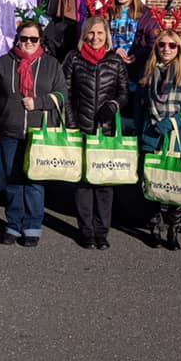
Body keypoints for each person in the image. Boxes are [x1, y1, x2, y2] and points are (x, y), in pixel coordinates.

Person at [0, 19, 66, 247]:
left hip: (39, 133)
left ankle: (32, 225)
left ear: (40, 40)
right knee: (13, 181)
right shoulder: (3, 63)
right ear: (17, 39)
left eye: (33, 39)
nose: (28, 43)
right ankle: (13, 224)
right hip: (10, 131)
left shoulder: (51, 64)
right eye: (24, 38)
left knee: (33, 181)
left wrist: (39, 102)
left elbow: (62, 95)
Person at [63, 16, 128, 250]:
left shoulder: (115, 62)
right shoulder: (74, 59)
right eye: (91, 33)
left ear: (107, 35)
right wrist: (71, 123)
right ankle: (86, 231)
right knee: (83, 183)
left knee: (103, 183)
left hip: (106, 131)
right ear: (84, 35)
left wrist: (114, 105)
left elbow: (123, 93)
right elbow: (65, 93)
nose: (96, 38)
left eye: (100, 33)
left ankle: (102, 232)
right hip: (81, 128)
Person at [139, 29, 181, 250]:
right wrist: (141, 130)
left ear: (178, 48)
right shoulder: (149, 71)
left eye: (172, 45)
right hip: (151, 135)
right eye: (162, 44)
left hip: (177, 136)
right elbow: (140, 106)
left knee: (176, 185)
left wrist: (171, 122)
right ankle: (155, 227)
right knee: (152, 184)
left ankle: (174, 230)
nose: (166, 49)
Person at [106, 0, 161, 129]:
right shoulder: (106, 12)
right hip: (112, 68)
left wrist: (137, 55)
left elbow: (154, 42)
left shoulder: (146, 16)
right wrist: (113, 50)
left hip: (136, 71)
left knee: (133, 112)